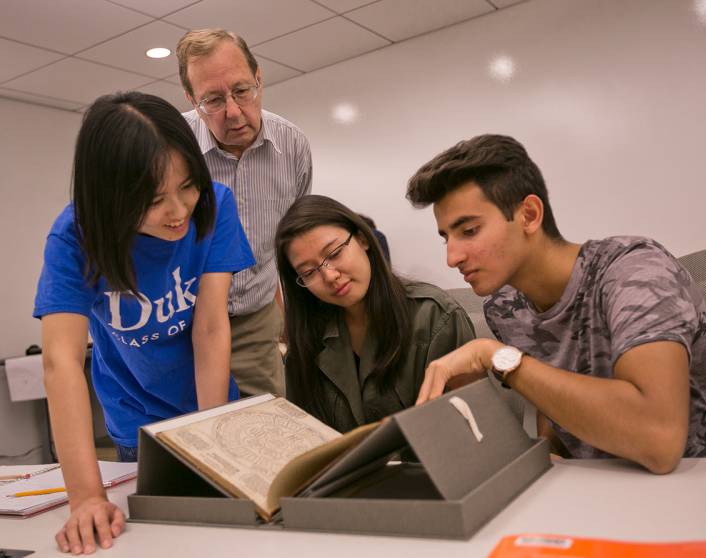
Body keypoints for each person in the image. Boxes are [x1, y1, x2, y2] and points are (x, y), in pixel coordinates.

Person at [406, 134, 706, 473]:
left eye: (468, 231)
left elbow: (659, 441)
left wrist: (497, 356)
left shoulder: (635, 272)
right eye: (445, 237)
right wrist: (549, 451)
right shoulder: (504, 306)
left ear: (528, 215)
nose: (452, 257)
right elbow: (556, 396)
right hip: (600, 490)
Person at [33, 92, 254, 553]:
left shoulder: (216, 204)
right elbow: (61, 363)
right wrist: (87, 497)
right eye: (154, 200)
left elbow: (210, 328)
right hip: (137, 421)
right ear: (109, 197)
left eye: (188, 185)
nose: (178, 212)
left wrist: (208, 439)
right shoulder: (76, 236)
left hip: (211, 407)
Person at [177, 28, 312, 398]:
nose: (234, 113)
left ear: (259, 79)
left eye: (241, 90)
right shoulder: (171, 147)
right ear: (191, 99)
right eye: (213, 100)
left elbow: (294, 241)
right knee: (183, 437)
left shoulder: (292, 145)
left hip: (254, 322)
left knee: (265, 434)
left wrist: (292, 315)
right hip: (181, 327)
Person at [275, 195, 476, 432]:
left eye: (335, 253)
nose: (329, 276)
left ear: (362, 240)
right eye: (309, 272)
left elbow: (465, 433)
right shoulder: (307, 339)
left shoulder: (435, 317)